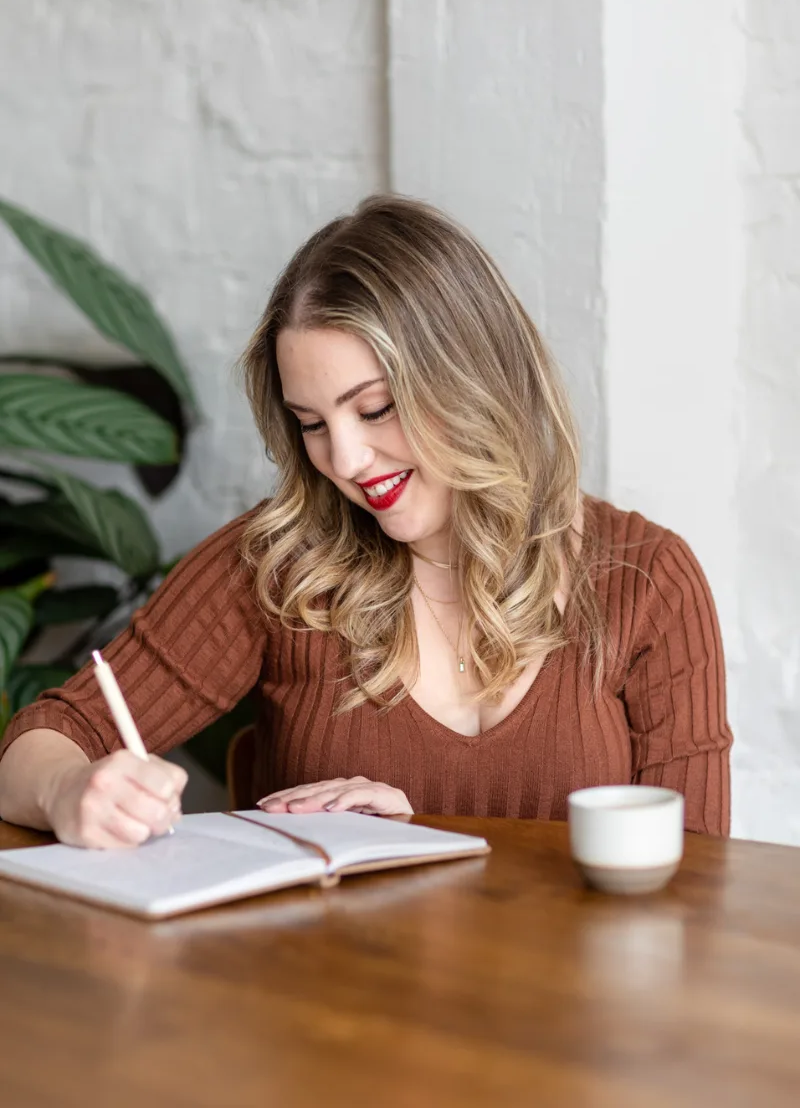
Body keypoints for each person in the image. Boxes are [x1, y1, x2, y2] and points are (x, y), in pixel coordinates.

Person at [0, 195, 733, 848]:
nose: (344, 459)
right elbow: (42, 744)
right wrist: (72, 791)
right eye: (311, 423)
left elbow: (698, 885)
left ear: (473, 377)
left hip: (575, 1003)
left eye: (375, 408)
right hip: (327, 997)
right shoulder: (278, 566)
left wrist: (426, 844)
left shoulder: (649, 581)